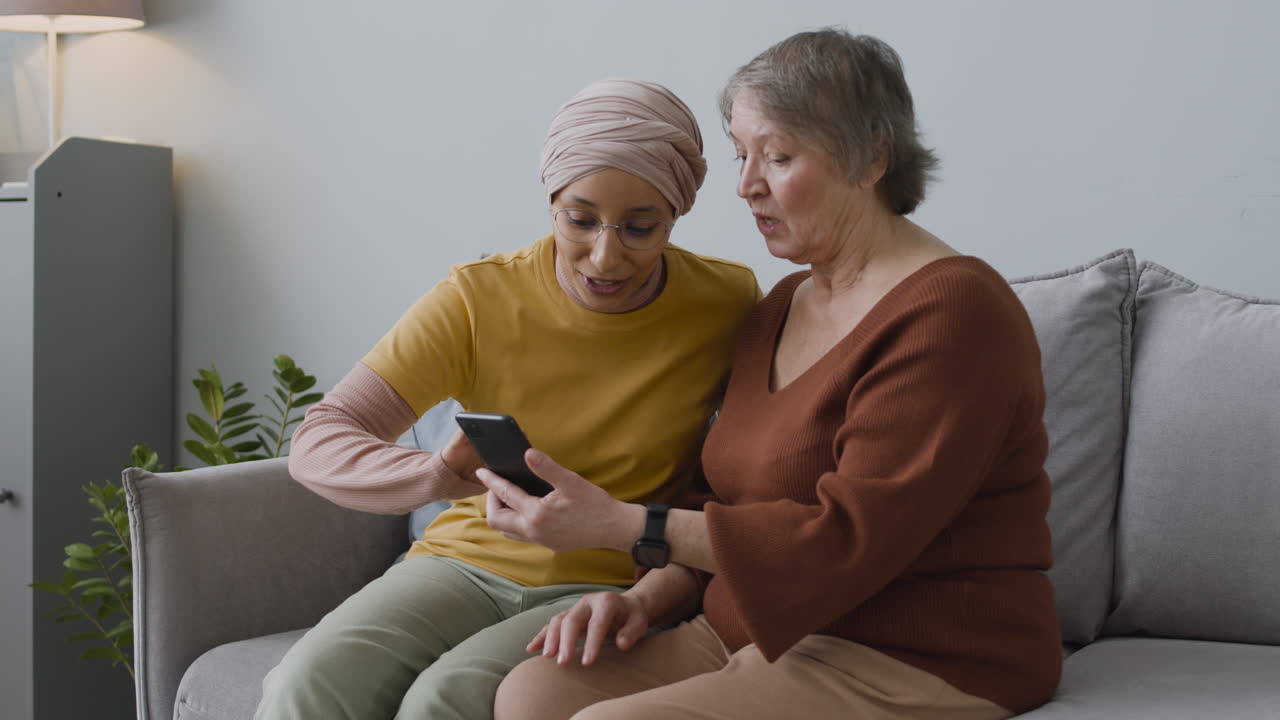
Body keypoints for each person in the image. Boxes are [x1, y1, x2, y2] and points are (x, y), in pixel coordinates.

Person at [483, 29, 1062, 720]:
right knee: (534, 694)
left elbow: (844, 539)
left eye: (778, 156)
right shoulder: (780, 306)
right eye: (741, 154)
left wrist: (620, 524)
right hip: (756, 630)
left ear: (872, 158)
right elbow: (717, 501)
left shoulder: (953, 314)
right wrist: (640, 598)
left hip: (912, 653)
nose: (746, 185)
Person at [254, 78, 760, 720]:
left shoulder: (729, 304)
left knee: (444, 702)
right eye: (580, 220)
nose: (605, 257)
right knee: (304, 683)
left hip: (608, 580)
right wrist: (434, 473)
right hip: (458, 564)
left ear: (676, 216)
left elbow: (746, 484)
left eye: (639, 228)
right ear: (550, 202)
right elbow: (321, 437)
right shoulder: (476, 299)